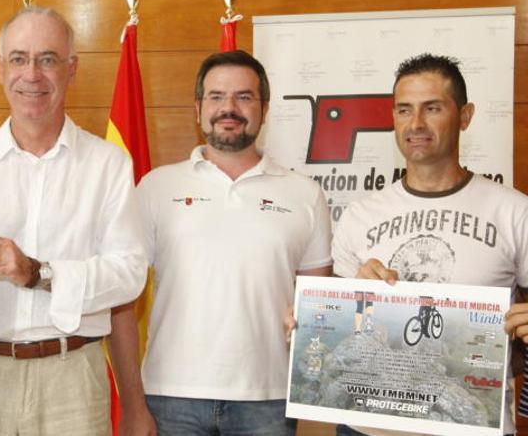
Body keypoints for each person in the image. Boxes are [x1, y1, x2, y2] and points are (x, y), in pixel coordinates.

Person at [0, 6, 148, 436]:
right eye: (18, 58)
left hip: (75, 382)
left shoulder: (108, 165)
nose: (32, 74)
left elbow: (129, 275)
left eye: (48, 59)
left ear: (71, 69)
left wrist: (39, 273)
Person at [116, 50, 332, 436]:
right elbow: (121, 299)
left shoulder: (305, 194)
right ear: (198, 108)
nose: (228, 108)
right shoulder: (154, 187)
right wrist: (133, 402)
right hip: (170, 396)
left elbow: (321, 306)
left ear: (264, 109)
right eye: (216, 97)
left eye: (244, 97)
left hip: (268, 399)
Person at [333, 53, 528, 436]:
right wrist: (334, 308)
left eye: (432, 108)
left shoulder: (514, 211)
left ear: (465, 116)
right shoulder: (359, 216)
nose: (416, 124)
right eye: (404, 110)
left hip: (471, 425)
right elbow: (338, 333)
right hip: (367, 428)